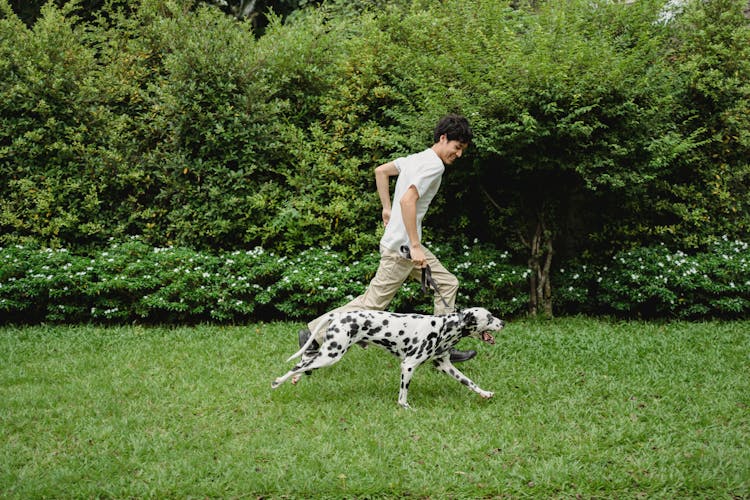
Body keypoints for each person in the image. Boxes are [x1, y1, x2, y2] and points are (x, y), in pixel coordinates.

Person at [298, 114, 476, 363]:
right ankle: (314, 334)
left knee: (447, 283)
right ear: (443, 138)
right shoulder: (434, 165)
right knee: (371, 305)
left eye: (462, 151)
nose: (458, 155)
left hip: (402, 244)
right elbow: (408, 200)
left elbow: (381, 171)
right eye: (457, 148)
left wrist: (386, 208)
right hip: (403, 249)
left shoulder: (416, 158)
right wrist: (414, 246)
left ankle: (441, 347)